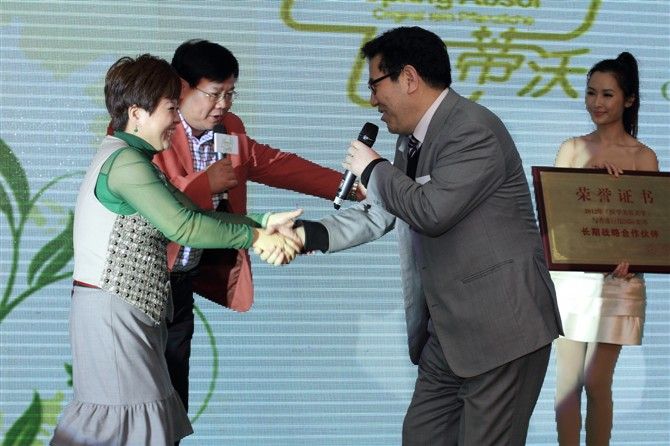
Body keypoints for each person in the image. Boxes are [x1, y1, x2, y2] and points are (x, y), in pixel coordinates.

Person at [291, 26, 562, 445]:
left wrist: (373, 167)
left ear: (409, 78)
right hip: (449, 333)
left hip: (503, 330)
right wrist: (309, 234)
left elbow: (431, 211)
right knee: (421, 435)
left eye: (375, 85)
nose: (372, 100)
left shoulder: (472, 129)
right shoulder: (410, 141)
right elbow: (383, 212)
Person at [51, 54, 300, 445]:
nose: (176, 120)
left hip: (128, 312)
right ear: (137, 113)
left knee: (125, 423)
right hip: (112, 314)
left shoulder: (135, 159)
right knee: (121, 421)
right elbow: (183, 226)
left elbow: (191, 212)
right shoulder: (126, 164)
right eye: (170, 109)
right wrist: (256, 238)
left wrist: (262, 222)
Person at [144, 39, 360, 416]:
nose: (223, 104)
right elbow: (153, 200)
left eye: (230, 93)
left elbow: (276, 164)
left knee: (173, 401)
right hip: (142, 280)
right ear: (181, 87)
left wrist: (350, 187)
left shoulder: (230, 129)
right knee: (136, 396)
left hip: (183, 283)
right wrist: (205, 185)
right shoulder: (149, 126)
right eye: (214, 93)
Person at [551, 52, 658, 445]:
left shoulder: (644, 157)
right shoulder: (571, 149)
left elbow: (650, 227)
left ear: (629, 100)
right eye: (591, 93)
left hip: (619, 283)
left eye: (607, 94)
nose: (596, 102)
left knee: (597, 380)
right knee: (567, 383)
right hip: (573, 280)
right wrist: (585, 181)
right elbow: (555, 218)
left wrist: (635, 259)